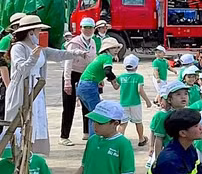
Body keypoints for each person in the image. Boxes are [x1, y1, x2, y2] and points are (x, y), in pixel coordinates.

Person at [5, 15, 86, 155]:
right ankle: (17, 151)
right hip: (22, 89)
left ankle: (32, 153)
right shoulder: (18, 48)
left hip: (36, 88)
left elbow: (58, 54)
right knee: (20, 120)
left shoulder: (39, 47)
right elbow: (21, 69)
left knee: (36, 120)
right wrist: (32, 57)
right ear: (30, 32)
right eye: (38, 30)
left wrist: (76, 53)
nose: (40, 33)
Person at [61, 17, 97, 145]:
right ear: (80, 28)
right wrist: (67, 81)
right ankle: (64, 136)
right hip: (72, 73)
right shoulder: (74, 42)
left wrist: (98, 78)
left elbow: (94, 61)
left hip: (86, 75)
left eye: (90, 28)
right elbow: (67, 62)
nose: (88, 30)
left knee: (87, 104)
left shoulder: (93, 42)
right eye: (85, 27)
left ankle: (87, 132)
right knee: (69, 105)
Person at [76, 37, 122, 126]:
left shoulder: (100, 57)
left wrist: (100, 80)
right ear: (107, 49)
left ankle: (92, 136)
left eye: (117, 48)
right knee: (97, 114)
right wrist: (114, 82)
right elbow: (108, 71)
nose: (116, 50)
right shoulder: (107, 57)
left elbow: (97, 71)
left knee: (93, 113)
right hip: (90, 85)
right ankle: (96, 137)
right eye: (113, 48)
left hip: (82, 85)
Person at [148, 81, 191, 168]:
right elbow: (159, 138)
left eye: (186, 94)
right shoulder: (163, 116)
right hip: (170, 153)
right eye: (178, 94)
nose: (183, 97)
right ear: (169, 99)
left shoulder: (189, 113)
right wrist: (158, 159)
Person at [117, 54, 152, 146]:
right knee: (138, 121)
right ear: (136, 66)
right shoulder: (139, 77)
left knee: (123, 123)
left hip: (123, 103)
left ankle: (119, 140)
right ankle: (141, 139)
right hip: (135, 103)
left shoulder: (121, 77)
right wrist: (147, 101)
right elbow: (140, 90)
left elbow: (116, 86)